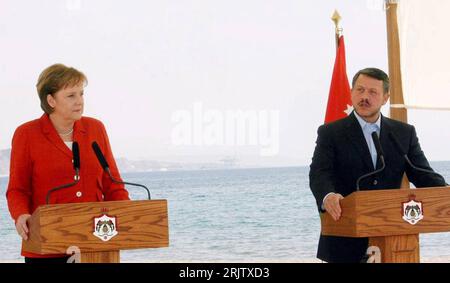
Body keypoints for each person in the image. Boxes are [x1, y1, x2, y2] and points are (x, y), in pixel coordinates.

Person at [309, 67, 447, 263]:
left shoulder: (403, 133)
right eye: (360, 90)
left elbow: (422, 174)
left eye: (372, 92)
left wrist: (445, 194)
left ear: (385, 98)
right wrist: (328, 196)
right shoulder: (331, 133)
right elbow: (319, 174)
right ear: (352, 92)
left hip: (393, 240)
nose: (364, 97)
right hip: (344, 240)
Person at [6, 64, 130, 263]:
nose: (79, 101)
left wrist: (129, 215)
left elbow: (112, 183)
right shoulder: (26, 134)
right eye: (71, 95)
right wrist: (21, 215)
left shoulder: (96, 128)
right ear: (51, 100)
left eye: (81, 94)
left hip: (96, 243)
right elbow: (17, 189)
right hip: (46, 245)